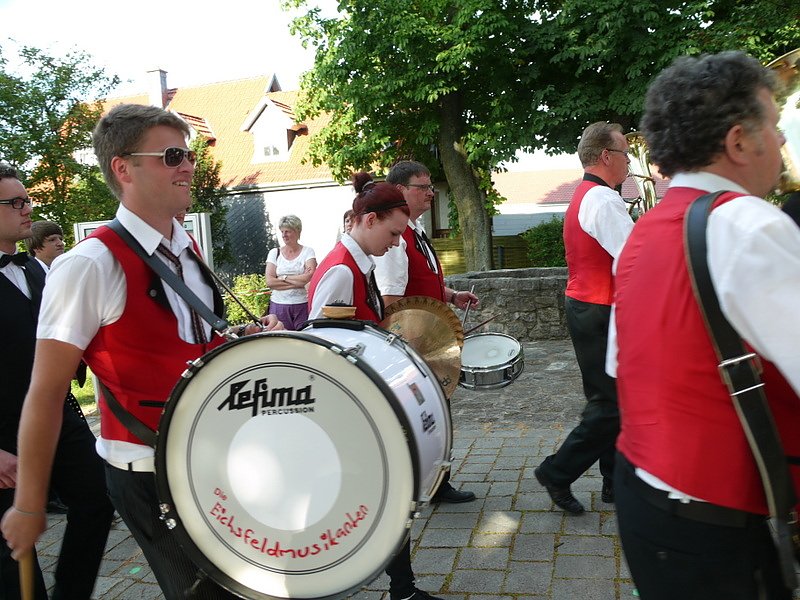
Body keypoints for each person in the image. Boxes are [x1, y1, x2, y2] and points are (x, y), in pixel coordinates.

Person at [1, 104, 282, 600]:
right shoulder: (88, 265)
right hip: (146, 471)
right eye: (172, 156)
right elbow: (45, 393)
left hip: (210, 453)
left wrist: (244, 336)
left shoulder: (187, 248)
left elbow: (192, 346)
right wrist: (28, 505)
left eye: (189, 155)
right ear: (123, 169)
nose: (188, 165)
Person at [611, 51, 798, 599]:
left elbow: (623, 366)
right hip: (720, 524)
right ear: (739, 141)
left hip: (646, 500)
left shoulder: (646, 230)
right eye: (774, 125)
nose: (781, 140)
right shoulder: (750, 224)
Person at [308, 172, 441, 600]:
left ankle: (402, 587)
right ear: (368, 220)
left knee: (392, 490)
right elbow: (318, 347)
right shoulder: (341, 272)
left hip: (361, 399)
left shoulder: (357, 265)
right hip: (348, 406)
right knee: (383, 492)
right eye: (393, 233)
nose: (398, 243)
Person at [0, 164, 114, 599]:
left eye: (27, 199)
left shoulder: (37, 270)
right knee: (14, 552)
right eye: (15, 202)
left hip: (57, 415)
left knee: (98, 498)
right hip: (3, 433)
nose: (27, 208)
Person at [533, 122, 634, 514]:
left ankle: (613, 481)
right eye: (625, 153)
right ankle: (557, 472)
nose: (629, 161)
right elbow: (634, 257)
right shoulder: (604, 200)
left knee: (611, 399)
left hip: (588, 306)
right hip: (599, 309)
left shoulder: (586, 194)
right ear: (606, 156)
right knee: (611, 404)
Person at [374, 160, 478, 504]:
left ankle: (435, 481)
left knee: (436, 412)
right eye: (423, 187)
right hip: (415, 346)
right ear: (401, 190)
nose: (431, 193)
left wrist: (451, 295)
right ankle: (428, 484)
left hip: (428, 343)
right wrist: (413, 351)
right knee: (426, 414)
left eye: (431, 187)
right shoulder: (396, 238)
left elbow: (420, 283)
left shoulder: (414, 230)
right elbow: (391, 301)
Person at [265, 214, 316, 330]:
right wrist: (299, 281)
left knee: (303, 337)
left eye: (287, 231)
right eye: (282, 232)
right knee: (281, 338)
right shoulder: (274, 253)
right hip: (278, 306)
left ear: (297, 231)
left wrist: (283, 278)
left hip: (301, 305)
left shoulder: (308, 252)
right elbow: (270, 282)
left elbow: (309, 277)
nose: (284, 235)